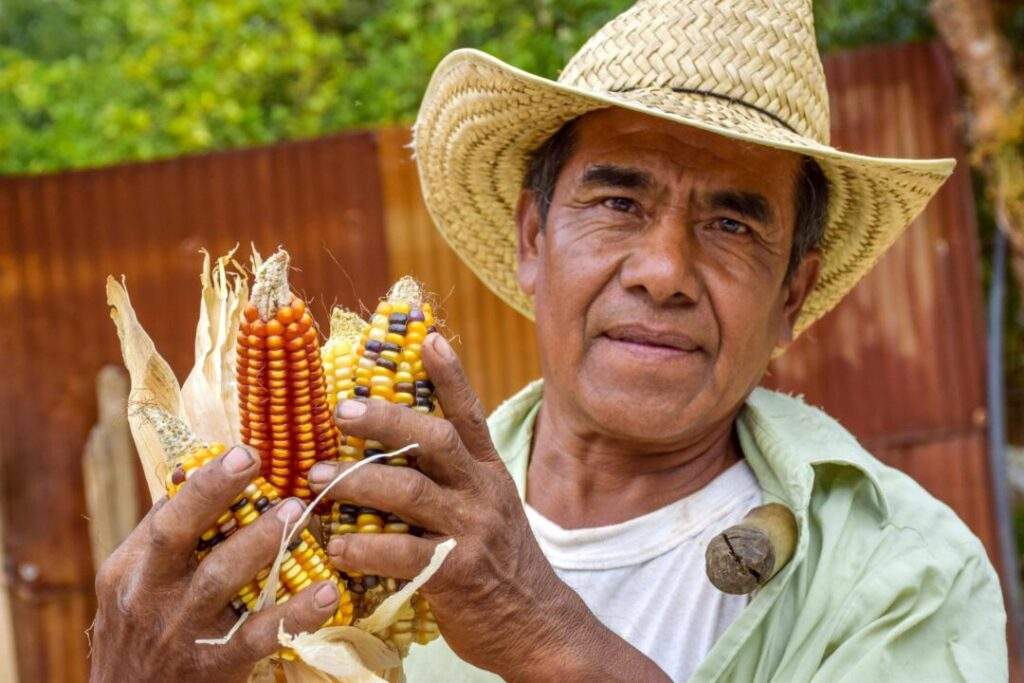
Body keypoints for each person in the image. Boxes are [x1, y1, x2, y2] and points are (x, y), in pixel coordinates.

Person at [90, 0, 1008, 680]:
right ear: (534, 240)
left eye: (732, 225)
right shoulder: (349, 523)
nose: (663, 269)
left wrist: (543, 633)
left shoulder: (900, 574)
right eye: (618, 201)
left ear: (792, 297)